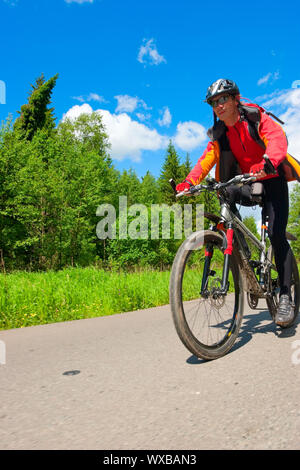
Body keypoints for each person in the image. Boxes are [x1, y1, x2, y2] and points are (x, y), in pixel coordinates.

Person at [176, 78, 300, 327]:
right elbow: (207, 158)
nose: (218, 105)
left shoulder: (256, 118)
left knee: (276, 234)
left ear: (235, 99)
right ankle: (238, 247)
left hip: (271, 178)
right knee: (225, 193)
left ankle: (285, 295)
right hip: (248, 182)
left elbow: (276, 138)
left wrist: (269, 161)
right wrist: (189, 183)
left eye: (223, 99)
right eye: (213, 102)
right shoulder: (221, 134)